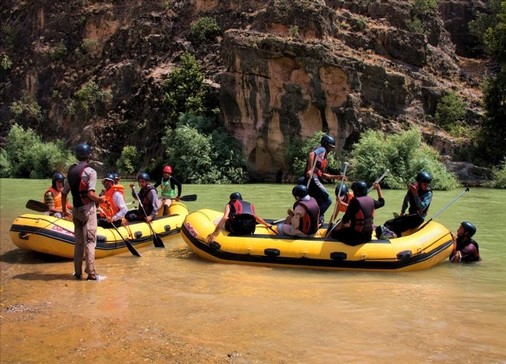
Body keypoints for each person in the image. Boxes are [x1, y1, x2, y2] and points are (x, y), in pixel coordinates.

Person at [61, 143, 106, 281]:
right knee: (90, 241)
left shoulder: (71, 172)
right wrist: (100, 199)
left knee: (79, 242)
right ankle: (91, 274)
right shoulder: (91, 172)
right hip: (87, 210)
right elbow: (91, 194)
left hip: (75, 210)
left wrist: (64, 211)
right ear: (88, 156)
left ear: (77, 155)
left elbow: (64, 194)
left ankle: (78, 272)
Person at [377, 171, 433, 238]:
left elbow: (422, 207)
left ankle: (392, 236)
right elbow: (406, 201)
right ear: (419, 183)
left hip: (418, 218)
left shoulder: (428, 193)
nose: (426, 186)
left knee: (397, 225)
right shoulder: (412, 189)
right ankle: (385, 232)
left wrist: (416, 195)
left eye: (427, 185)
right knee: (388, 223)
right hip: (411, 215)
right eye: (424, 184)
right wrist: (402, 212)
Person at [304, 134, 345, 225]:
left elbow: (323, 175)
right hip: (312, 179)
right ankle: (315, 218)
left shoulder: (323, 157)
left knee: (318, 201)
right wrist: (310, 169)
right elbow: (311, 154)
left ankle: (314, 217)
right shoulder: (322, 149)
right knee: (327, 200)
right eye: (330, 147)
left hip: (315, 180)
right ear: (325, 144)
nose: (331, 149)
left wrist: (337, 177)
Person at [330, 181, 384, 245]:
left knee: (334, 233)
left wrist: (347, 227)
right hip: (368, 236)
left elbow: (345, 220)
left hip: (356, 238)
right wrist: (378, 189)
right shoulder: (371, 200)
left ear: (356, 192)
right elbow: (382, 202)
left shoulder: (354, 201)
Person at [207, 192, 272, 243]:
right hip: (249, 230)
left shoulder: (229, 205)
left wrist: (214, 234)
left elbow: (225, 218)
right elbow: (257, 217)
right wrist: (266, 224)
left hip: (236, 230)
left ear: (231, 199)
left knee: (216, 221)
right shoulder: (250, 204)